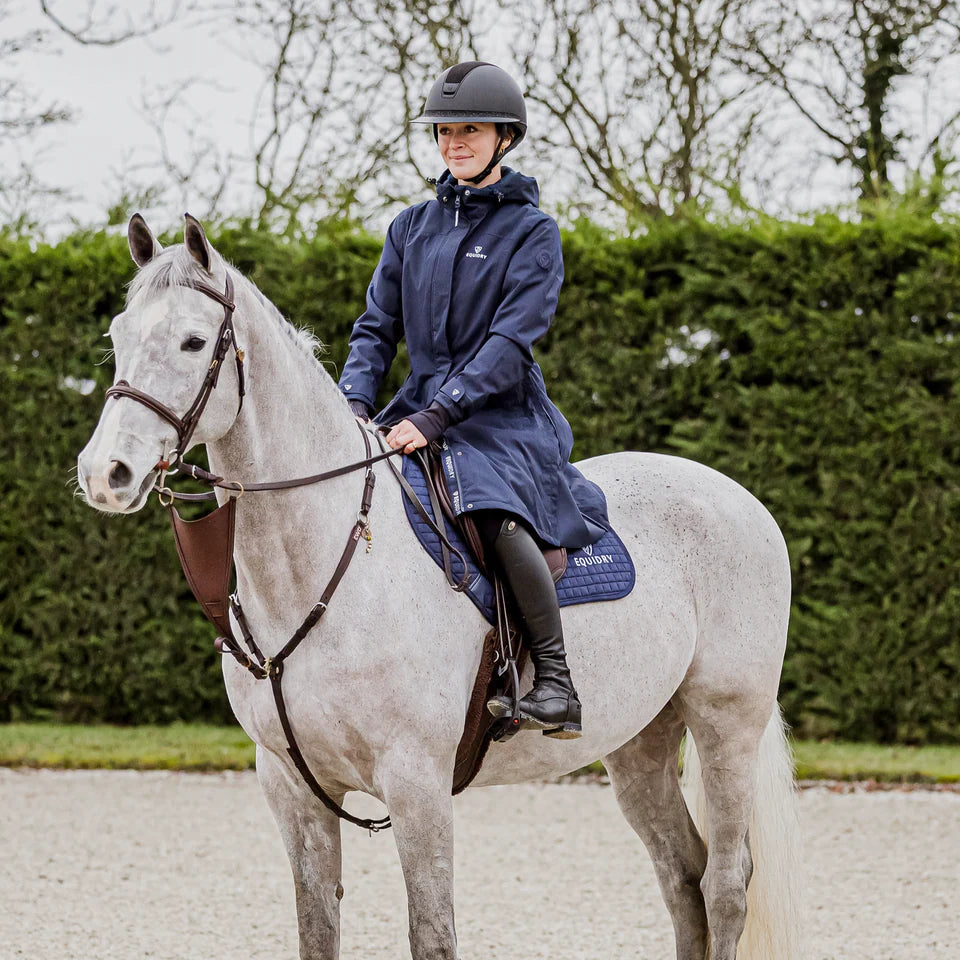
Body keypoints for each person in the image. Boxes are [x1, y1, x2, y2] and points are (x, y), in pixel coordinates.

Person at [338, 61, 609, 740]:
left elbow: (510, 344)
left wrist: (438, 416)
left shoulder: (532, 234)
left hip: (501, 415)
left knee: (489, 508)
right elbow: (376, 328)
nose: (454, 142)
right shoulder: (410, 228)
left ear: (505, 137)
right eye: (445, 131)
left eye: (470, 130)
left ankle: (554, 682)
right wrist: (352, 405)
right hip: (417, 406)